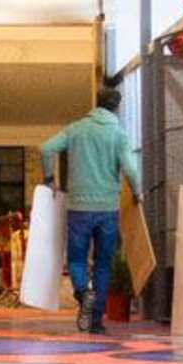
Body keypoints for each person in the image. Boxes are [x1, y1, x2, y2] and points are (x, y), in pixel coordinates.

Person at [37, 75, 138, 335]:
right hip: (107, 209)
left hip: (79, 207)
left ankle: (83, 293)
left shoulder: (77, 129)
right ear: (116, 107)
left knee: (78, 259)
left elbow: (46, 148)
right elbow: (130, 168)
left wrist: (49, 179)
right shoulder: (119, 135)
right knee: (103, 263)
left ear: (97, 104)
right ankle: (95, 322)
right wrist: (138, 193)